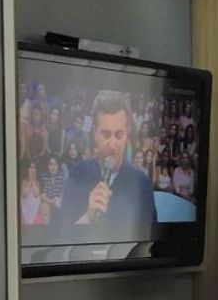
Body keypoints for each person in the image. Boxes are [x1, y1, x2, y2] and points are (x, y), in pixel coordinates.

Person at [62, 90, 158, 237]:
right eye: (106, 135)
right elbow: (60, 236)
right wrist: (87, 218)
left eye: (118, 135)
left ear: (127, 133)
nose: (112, 145)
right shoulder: (77, 174)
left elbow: (151, 241)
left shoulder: (142, 183)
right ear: (95, 133)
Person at [19, 160, 45, 226]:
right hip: (25, 206)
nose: (32, 170)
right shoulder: (24, 181)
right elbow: (24, 194)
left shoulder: (38, 182)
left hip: (34, 207)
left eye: (34, 168)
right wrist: (29, 181)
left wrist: (33, 181)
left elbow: (36, 194)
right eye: (30, 167)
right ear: (27, 169)